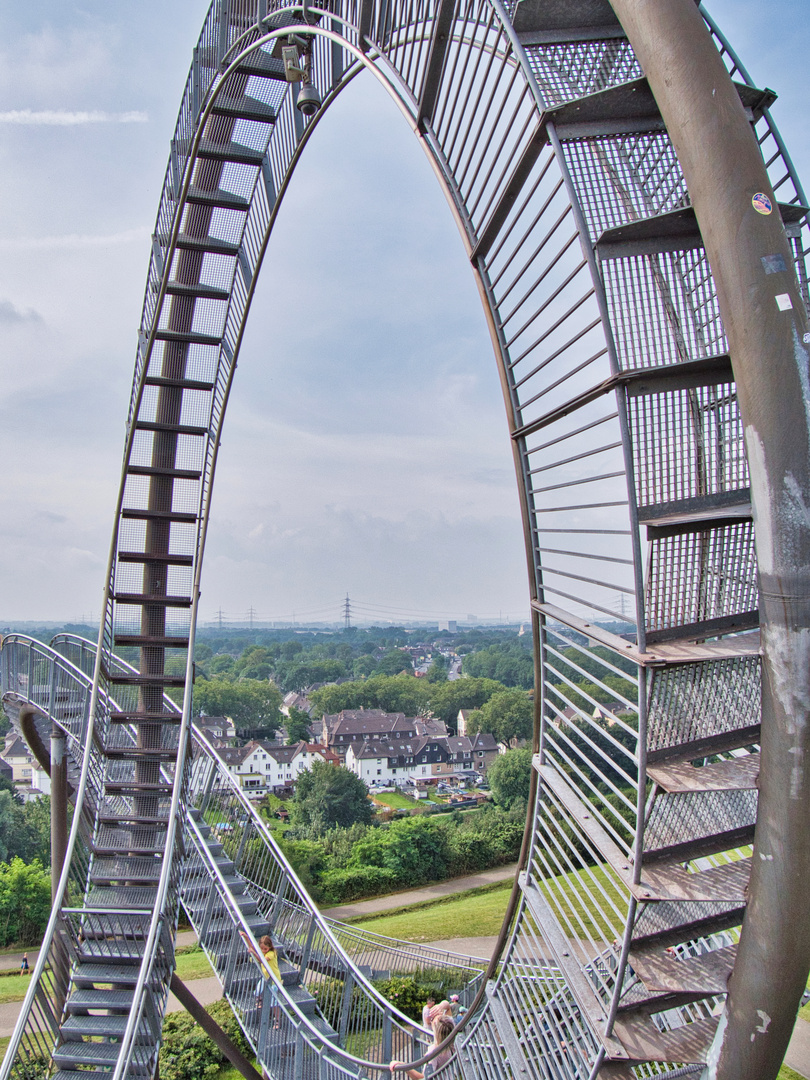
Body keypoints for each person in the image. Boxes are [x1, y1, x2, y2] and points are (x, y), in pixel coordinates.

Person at [391, 1014, 455, 1079]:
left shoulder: (434, 1051)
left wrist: (404, 1066)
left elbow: (423, 1078)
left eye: (432, 1020)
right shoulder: (452, 1046)